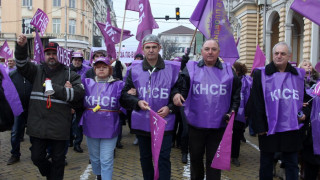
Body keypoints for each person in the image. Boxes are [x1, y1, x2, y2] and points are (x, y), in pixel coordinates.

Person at [14, 35, 85, 180]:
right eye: (48, 54)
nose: (51, 56)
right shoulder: (36, 71)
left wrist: (56, 89)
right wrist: (21, 47)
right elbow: (21, 64)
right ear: (44, 55)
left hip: (59, 127)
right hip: (38, 126)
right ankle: (51, 174)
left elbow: (79, 93)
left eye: (54, 53)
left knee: (59, 161)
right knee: (37, 157)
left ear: (60, 55)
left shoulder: (69, 73)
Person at [173, 39, 241, 180]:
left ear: (218, 52)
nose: (210, 52)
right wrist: (177, 94)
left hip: (219, 125)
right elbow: (180, 87)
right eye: (207, 49)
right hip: (196, 124)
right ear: (201, 51)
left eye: (213, 49)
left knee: (214, 163)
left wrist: (232, 110)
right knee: (196, 159)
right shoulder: (191, 68)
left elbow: (236, 94)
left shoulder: (229, 70)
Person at [120, 34, 180, 180]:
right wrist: (137, 102)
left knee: (163, 158)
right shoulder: (134, 69)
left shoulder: (172, 69)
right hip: (142, 120)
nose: (151, 50)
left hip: (165, 121)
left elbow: (178, 93)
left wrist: (170, 107)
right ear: (143, 49)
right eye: (148, 47)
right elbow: (124, 95)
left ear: (159, 48)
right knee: (145, 157)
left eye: (154, 47)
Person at [250, 42, 310, 180]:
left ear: (289, 56)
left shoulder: (298, 75)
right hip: (268, 127)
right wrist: (260, 127)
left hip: (291, 127)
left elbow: (306, 100)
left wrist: (304, 114)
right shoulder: (261, 74)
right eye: (276, 53)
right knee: (266, 163)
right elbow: (256, 102)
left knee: (292, 163)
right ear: (273, 55)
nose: (279, 56)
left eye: (283, 53)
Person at [80, 57, 124, 180]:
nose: (101, 69)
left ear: (109, 69)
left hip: (110, 127)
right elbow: (77, 97)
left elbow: (125, 102)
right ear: (94, 69)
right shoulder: (86, 83)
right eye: (98, 67)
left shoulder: (119, 84)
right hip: (91, 126)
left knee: (106, 158)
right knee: (94, 157)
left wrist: (131, 94)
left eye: (104, 67)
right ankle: (98, 175)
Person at [6, 68, 32, 165]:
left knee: (33, 132)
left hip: (32, 108)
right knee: (15, 132)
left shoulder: (32, 72)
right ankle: (15, 154)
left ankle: (35, 152)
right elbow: (7, 89)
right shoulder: (12, 74)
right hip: (17, 107)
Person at [231, 62, 252, 167]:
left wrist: (247, 113)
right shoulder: (228, 79)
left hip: (240, 113)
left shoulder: (247, 81)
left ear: (237, 71)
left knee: (236, 136)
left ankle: (235, 156)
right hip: (228, 112)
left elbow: (249, 98)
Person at [69, 51, 91, 153]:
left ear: (82, 61)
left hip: (81, 101)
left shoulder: (87, 70)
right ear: (72, 60)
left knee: (79, 124)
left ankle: (77, 143)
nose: (77, 62)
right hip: (68, 100)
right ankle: (69, 140)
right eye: (75, 59)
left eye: (79, 60)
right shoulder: (67, 70)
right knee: (67, 123)